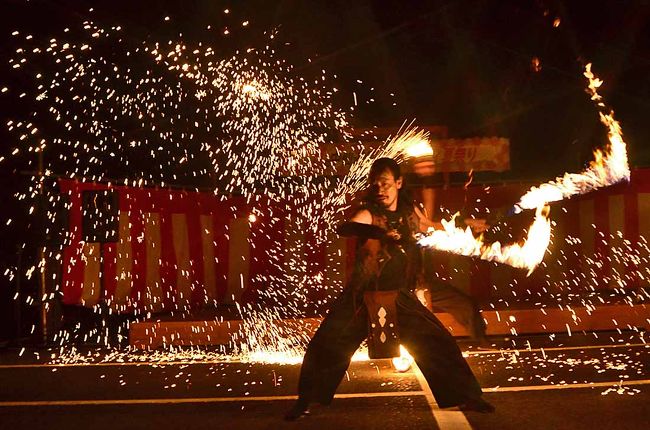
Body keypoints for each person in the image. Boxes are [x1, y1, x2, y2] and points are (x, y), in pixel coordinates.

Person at [285, 157, 494, 420]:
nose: (380, 189)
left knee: (438, 341)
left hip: (398, 296)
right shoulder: (370, 213)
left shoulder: (409, 211)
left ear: (398, 182)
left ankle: (467, 396)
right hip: (361, 297)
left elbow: (430, 227)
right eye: (376, 184)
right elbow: (346, 227)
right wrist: (379, 234)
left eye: (385, 183)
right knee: (327, 344)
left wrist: (467, 225)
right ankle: (306, 401)